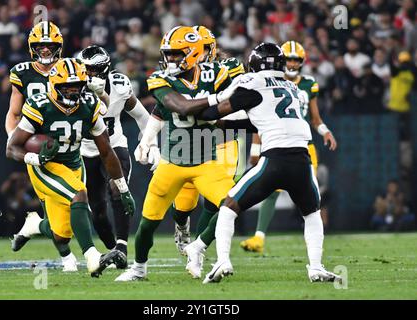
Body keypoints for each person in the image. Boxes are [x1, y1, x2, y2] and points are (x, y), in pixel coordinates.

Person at [193, 42, 341, 284]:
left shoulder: (251, 83)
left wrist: (198, 111)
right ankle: (315, 267)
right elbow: (263, 120)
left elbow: (217, 111)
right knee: (312, 213)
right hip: (302, 158)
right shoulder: (291, 88)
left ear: (254, 63)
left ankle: (222, 261)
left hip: (275, 159)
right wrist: (229, 123)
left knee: (229, 207)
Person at [115, 26, 238, 282]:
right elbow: (175, 106)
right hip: (173, 162)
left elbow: (238, 96)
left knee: (233, 205)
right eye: (167, 54)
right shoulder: (161, 79)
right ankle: (139, 268)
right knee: (148, 222)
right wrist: (147, 139)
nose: (169, 59)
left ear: (192, 54)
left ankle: (199, 246)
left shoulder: (218, 72)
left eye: (174, 54)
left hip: (207, 161)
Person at [6, 58, 136, 277]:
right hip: (45, 166)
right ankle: (93, 257)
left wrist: (123, 188)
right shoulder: (40, 104)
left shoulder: (89, 104)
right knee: (79, 194)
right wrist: (35, 159)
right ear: (55, 86)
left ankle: (35, 225)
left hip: (74, 164)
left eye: (76, 87)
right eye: (66, 87)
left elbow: (106, 151)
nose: (72, 92)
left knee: (62, 233)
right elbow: (12, 148)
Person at [240, 40, 337, 253]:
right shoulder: (271, 81)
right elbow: (259, 118)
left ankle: (313, 244)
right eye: (289, 59)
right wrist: (255, 150)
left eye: (296, 60)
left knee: (306, 193)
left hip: (303, 144)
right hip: (276, 140)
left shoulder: (308, 83)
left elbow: (315, 118)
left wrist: (325, 131)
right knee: (273, 189)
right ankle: (259, 237)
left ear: (302, 62)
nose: (292, 64)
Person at [6, 21, 78, 271]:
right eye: (40, 46)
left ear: (59, 46)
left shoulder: (71, 69)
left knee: (67, 208)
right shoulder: (23, 72)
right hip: (38, 143)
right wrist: (15, 141)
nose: (45, 51)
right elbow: (14, 113)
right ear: (31, 47)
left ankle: (35, 226)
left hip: (69, 143)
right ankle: (69, 257)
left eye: (49, 46)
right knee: (62, 201)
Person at [77, 45, 156, 268]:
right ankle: (114, 251)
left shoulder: (120, 85)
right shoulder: (75, 88)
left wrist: (151, 143)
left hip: (115, 146)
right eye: (86, 70)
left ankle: (121, 247)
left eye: (94, 70)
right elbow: (99, 109)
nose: (90, 75)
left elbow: (141, 115)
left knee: (117, 190)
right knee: (98, 210)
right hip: (86, 150)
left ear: (105, 70)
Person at [170, 25, 245, 255]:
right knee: (183, 204)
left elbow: (242, 96)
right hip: (193, 139)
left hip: (225, 138)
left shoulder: (230, 67)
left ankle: (198, 250)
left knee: (219, 201)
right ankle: (182, 225)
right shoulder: (179, 71)